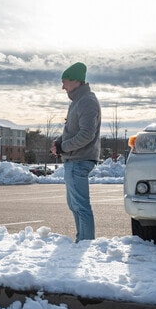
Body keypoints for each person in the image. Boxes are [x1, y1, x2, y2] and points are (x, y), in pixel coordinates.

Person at [50, 62, 101, 242]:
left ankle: (86, 244)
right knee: (74, 205)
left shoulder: (87, 101)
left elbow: (87, 134)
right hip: (73, 160)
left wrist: (64, 147)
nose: (62, 86)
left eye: (64, 81)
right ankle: (82, 241)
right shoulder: (78, 101)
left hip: (79, 160)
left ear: (76, 81)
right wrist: (59, 142)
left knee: (80, 205)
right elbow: (72, 131)